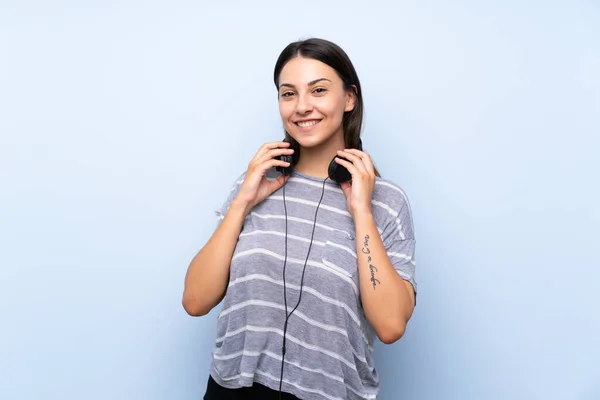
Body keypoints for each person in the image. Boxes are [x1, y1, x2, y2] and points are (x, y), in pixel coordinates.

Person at [182, 38, 417, 400]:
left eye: (318, 90)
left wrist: (362, 214)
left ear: (349, 98)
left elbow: (390, 325)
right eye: (288, 94)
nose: (302, 107)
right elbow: (195, 301)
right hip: (232, 389)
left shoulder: (386, 202)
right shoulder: (256, 184)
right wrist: (242, 202)